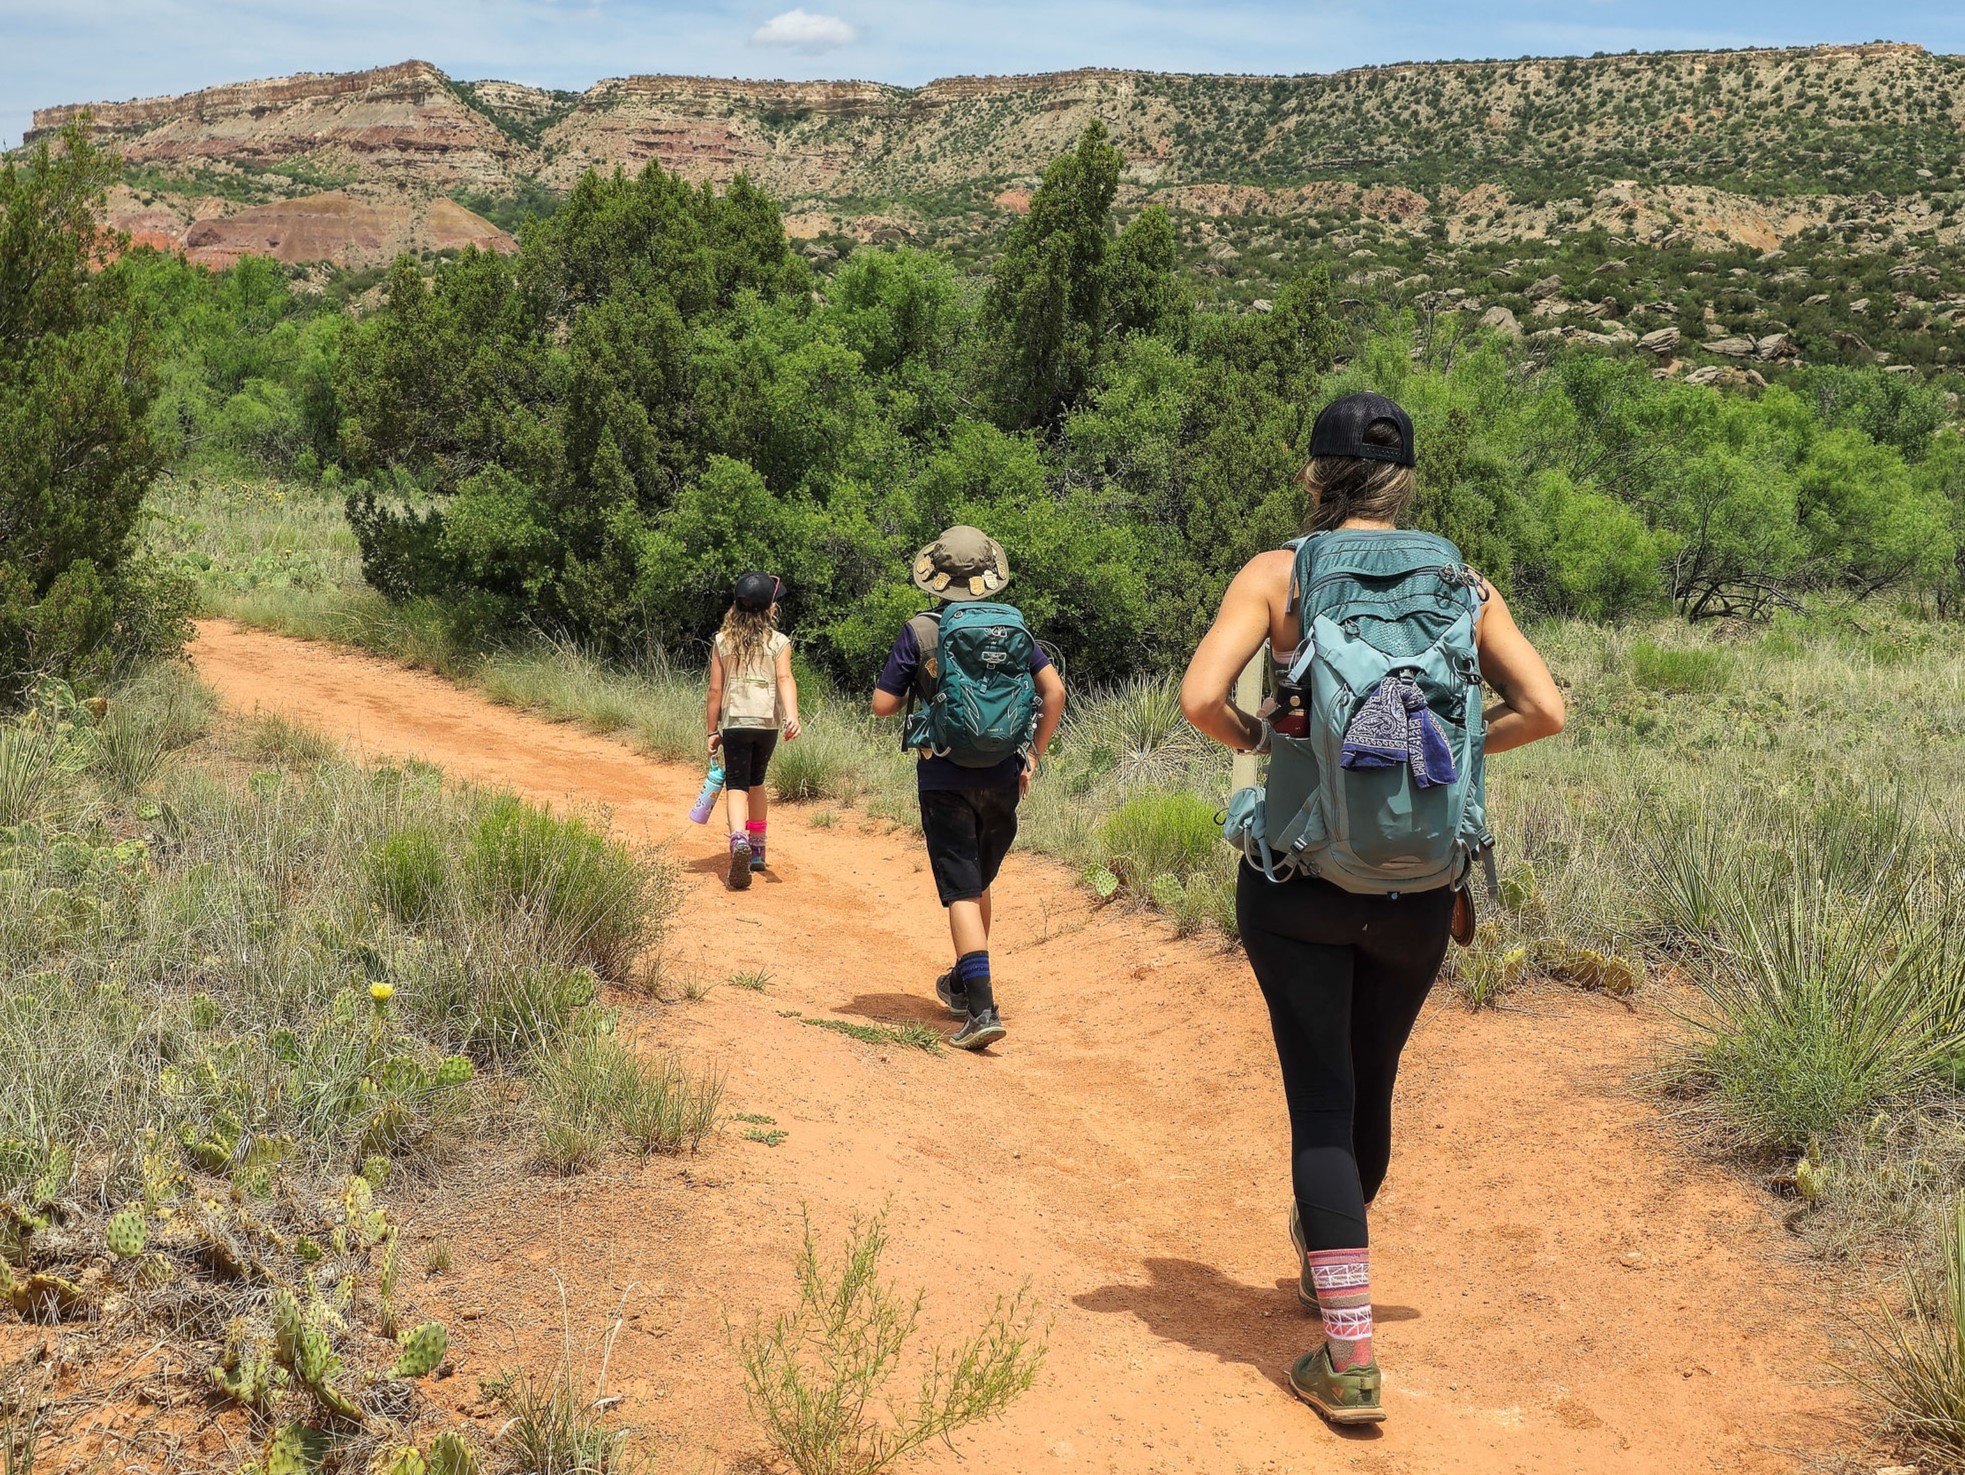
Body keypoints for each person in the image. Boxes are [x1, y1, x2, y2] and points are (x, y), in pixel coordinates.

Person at [1179, 393, 1565, 1425]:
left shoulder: (1279, 574)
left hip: (1299, 882)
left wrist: (1266, 745)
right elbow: (1548, 707)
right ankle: (1331, 1270)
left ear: (1317, 476)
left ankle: (1348, 1357)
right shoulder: (1460, 582)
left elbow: (1198, 697)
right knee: (1371, 1083)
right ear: (1404, 482)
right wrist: (1459, 742)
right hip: (1419, 887)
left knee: (1319, 1101)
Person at [871, 526, 1066, 1050]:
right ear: (986, 578)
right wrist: (1033, 755)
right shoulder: (1012, 629)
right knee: (978, 881)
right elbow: (1054, 692)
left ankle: (982, 1009)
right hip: (1004, 773)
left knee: (959, 888)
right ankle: (963, 981)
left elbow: (882, 705)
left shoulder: (920, 630)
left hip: (944, 774)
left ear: (936, 576)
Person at [706, 572, 801, 891]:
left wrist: (711, 731)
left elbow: (715, 691)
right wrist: (792, 716)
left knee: (736, 785)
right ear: (769, 609)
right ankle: (758, 849)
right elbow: (785, 679)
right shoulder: (779, 642)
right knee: (757, 781)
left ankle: (738, 842)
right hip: (766, 724)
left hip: (735, 722)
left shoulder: (722, 641)